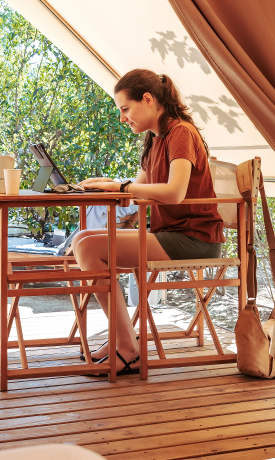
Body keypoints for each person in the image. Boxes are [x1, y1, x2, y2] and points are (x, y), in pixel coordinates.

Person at [72, 68, 224, 374]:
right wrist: (113, 184)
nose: (122, 117)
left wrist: (123, 187)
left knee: (89, 248)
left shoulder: (181, 133)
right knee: (83, 240)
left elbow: (175, 192)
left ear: (148, 99)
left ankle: (127, 347)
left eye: (125, 109)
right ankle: (122, 339)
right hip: (171, 235)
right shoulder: (155, 140)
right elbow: (140, 189)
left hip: (196, 240)